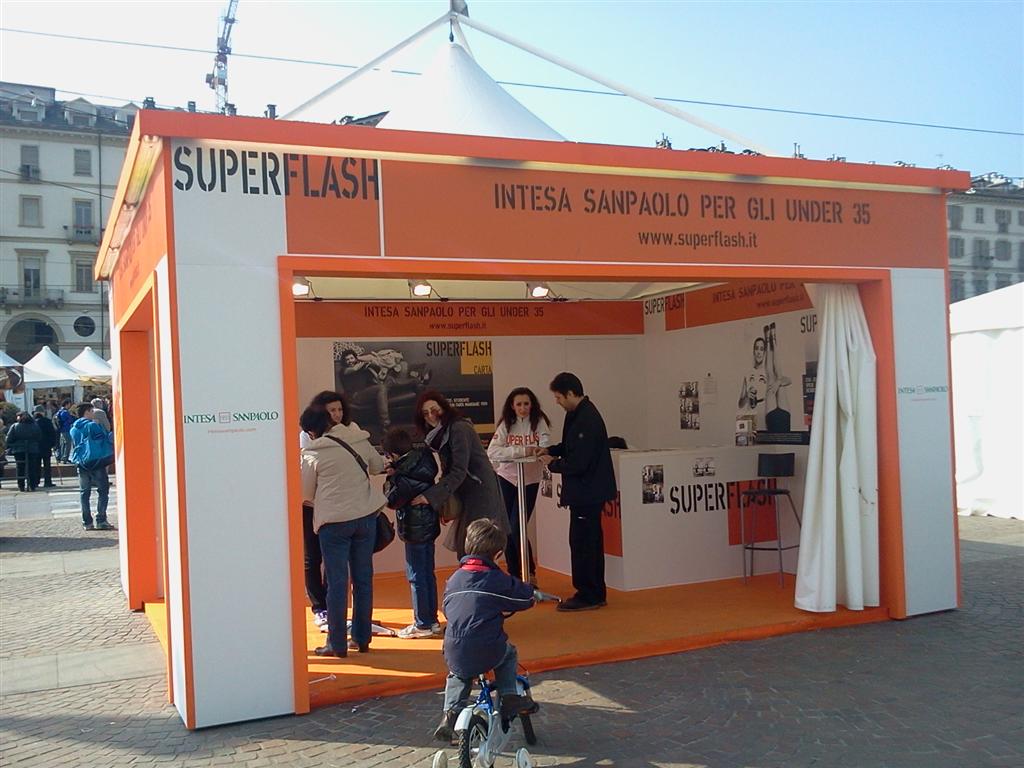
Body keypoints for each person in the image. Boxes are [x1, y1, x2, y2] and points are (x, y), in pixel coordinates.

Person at [433, 518, 538, 743]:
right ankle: (509, 696)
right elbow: (522, 597)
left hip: (453, 647)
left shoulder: (454, 579)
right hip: (487, 647)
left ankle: (450, 714)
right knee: (508, 653)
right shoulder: (496, 579)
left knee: (458, 673)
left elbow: (447, 608)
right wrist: (532, 595)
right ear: (498, 554)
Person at [300, 405, 385, 657]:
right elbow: (377, 465)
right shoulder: (359, 438)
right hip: (365, 518)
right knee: (363, 579)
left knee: (337, 583)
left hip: (334, 523)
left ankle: (336, 645)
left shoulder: (313, 453)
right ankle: (362, 638)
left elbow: (305, 493)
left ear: (312, 432)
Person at [538, 372, 616, 612]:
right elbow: (570, 447)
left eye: (559, 397)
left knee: (584, 544)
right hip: (586, 492)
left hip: (587, 492)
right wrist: (550, 450)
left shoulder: (586, 419)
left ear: (571, 393)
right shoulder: (578, 415)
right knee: (587, 542)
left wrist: (553, 464)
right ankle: (593, 591)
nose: (557, 402)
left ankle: (588, 594)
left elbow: (579, 462)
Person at [412, 390, 509, 560]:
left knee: (478, 547)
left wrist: (431, 496)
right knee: (469, 547)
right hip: (469, 492)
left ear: (444, 408)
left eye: (434, 410)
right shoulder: (443, 432)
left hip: (480, 493)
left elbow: (458, 470)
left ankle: (477, 577)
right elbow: (450, 471)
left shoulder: (458, 428)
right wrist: (444, 502)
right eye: (425, 413)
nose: (431, 416)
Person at [382, 426, 442, 639]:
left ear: (393, 454)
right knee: (428, 573)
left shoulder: (403, 476)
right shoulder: (425, 460)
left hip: (414, 530)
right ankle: (432, 620)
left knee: (416, 576)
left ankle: (422, 623)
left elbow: (391, 500)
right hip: (429, 525)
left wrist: (390, 477)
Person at [487, 387, 552, 583]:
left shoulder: (539, 422)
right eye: (519, 404)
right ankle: (514, 575)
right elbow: (493, 452)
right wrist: (522, 451)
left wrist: (537, 450)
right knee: (506, 528)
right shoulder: (506, 425)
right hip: (506, 478)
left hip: (530, 480)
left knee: (518, 527)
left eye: (526, 404)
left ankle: (529, 572)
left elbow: (544, 447)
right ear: (512, 406)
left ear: (532, 405)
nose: (523, 408)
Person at [298, 390, 350, 632]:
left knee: (334, 557)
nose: (337, 415)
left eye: (340, 410)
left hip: (336, 505)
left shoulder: (350, 433)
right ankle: (319, 607)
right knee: (312, 557)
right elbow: (308, 473)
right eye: (332, 411)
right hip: (311, 505)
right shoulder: (307, 436)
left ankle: (333, 605)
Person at [70, 402, 114, 530]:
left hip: (81, 463)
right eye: (92, 411)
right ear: (87, 412)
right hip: (96, 461)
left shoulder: (73, 429)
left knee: (84, 493)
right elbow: (104, 438)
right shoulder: (92, 425)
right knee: (103, 490)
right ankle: (101, 520)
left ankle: (87, 522)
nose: (93, 413)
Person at [762, 321, 793, 432]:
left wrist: (778, 382)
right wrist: (779, 382)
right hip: (783, 417)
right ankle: (773, 340)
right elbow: (789, 380)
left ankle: (769, 342)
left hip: (773, 419)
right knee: (778, 375)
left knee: (771, 376)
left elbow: (789, 380)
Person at [6, 412, 42, 492]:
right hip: (32, 449)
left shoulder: (15, 426)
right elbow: (39, 436)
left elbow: (9, 439)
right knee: (32, 468)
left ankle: (21, 485)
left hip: (18, 449)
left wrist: (13, 444)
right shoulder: (35, 426)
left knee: (20, 467)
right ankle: (32, 485)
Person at [737, 337, 768, 430]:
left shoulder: (768, 372)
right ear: (753, 351)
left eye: (761, 349)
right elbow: (740, 404)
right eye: (756, 348)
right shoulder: (748, 373)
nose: (758, 352)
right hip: (750, 415)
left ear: (765, 353)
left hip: (764, 414)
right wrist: (747, 396)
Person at [32, 405, 57, 488]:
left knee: (36, 465)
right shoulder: (47, 421)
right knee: (47, 465)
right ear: (43, 413)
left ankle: (36, 481)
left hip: (35, 447)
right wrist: (53, 444)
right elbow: (53, 434)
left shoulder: (33, 422)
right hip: (46, 446)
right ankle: (48, 481)